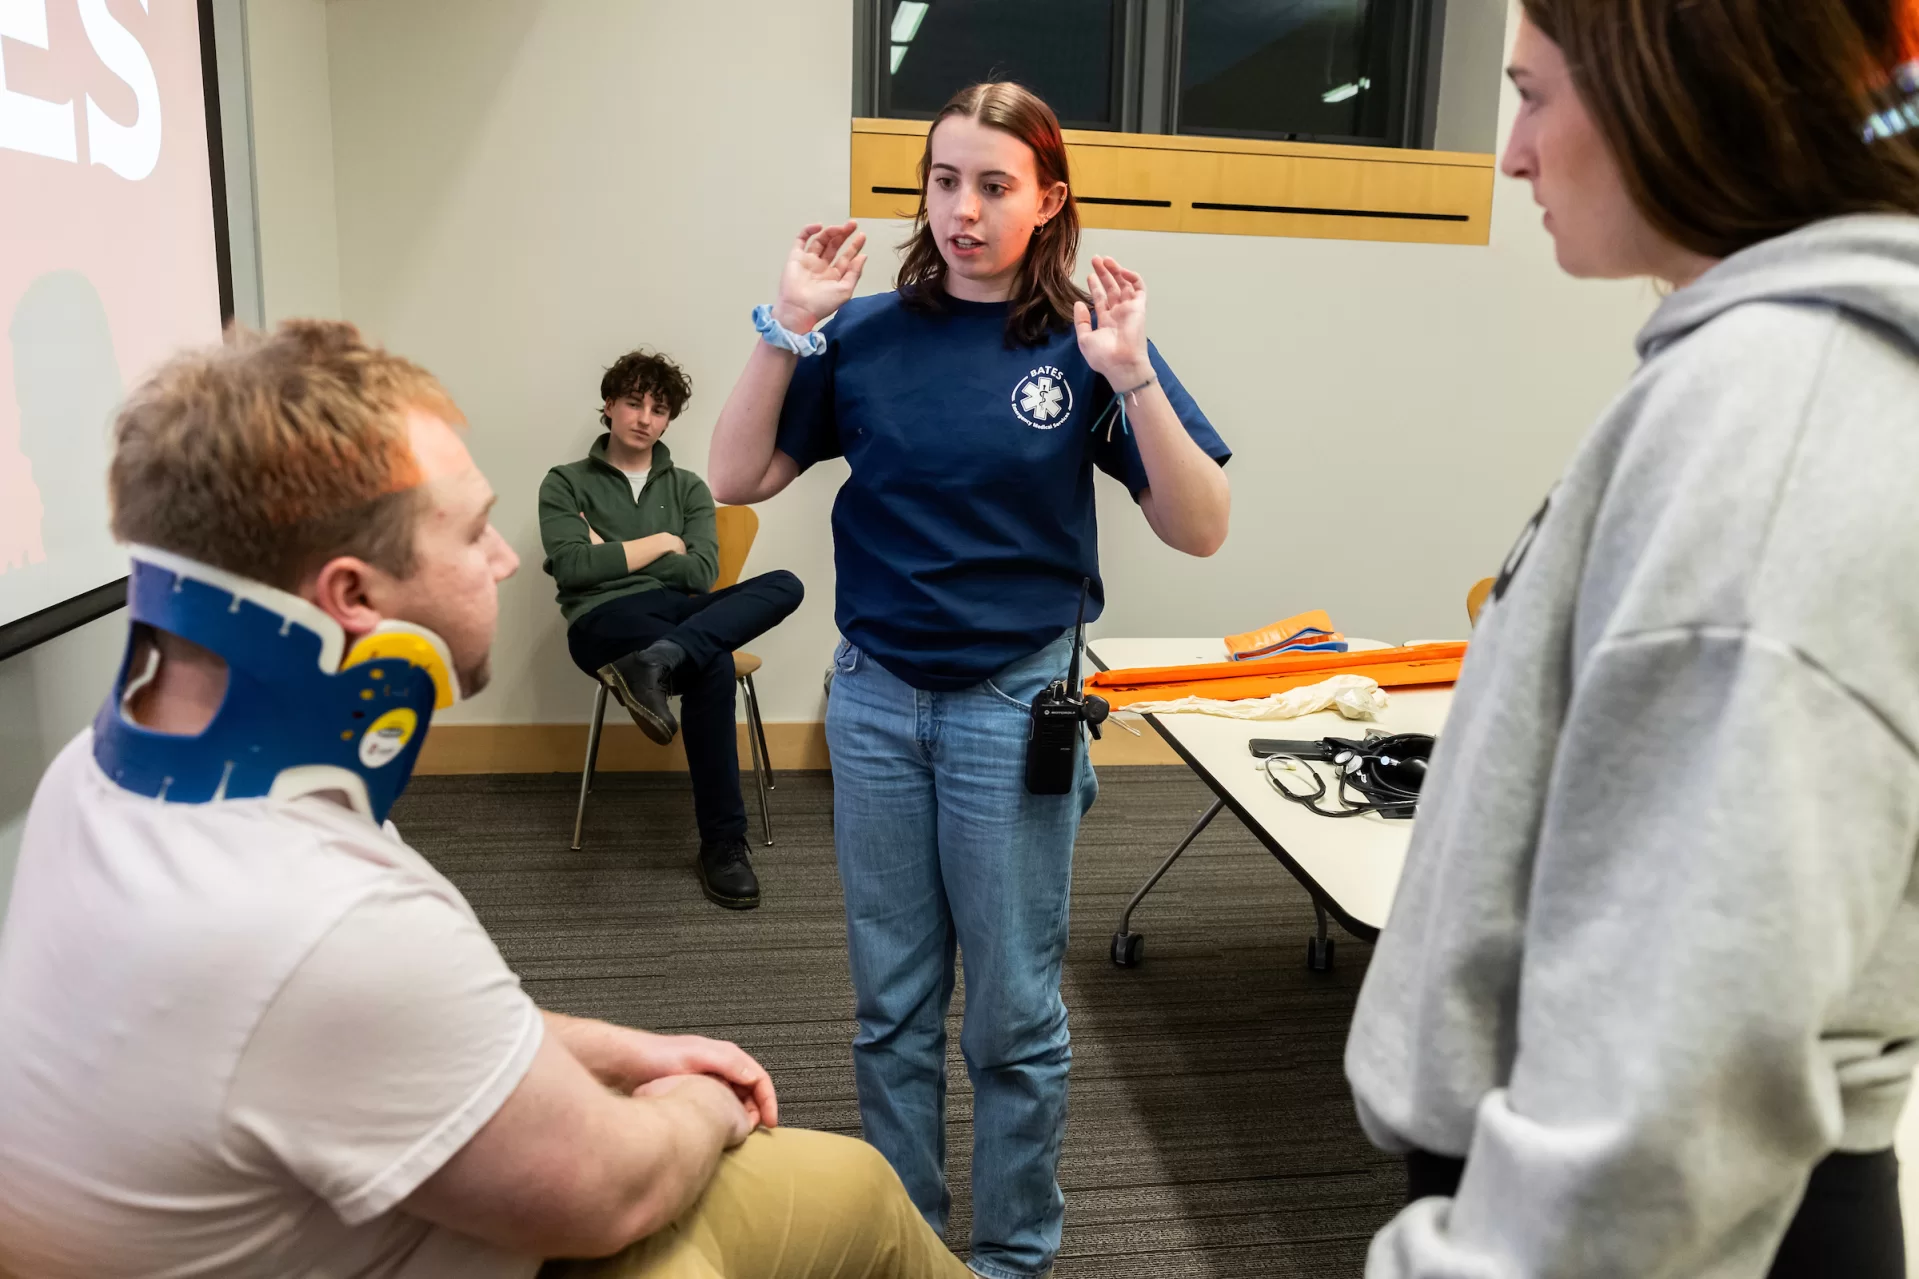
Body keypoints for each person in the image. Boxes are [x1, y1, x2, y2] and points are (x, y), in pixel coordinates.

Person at [0, 321, 969, 1279]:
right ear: (352, 594)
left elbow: (368, 1039)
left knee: (857, 1185)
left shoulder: (91, 779)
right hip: (534, 1228)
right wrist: (700, 1101)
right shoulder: (329, 921)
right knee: (816, 1203)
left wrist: (620, 1046)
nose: (502, 561)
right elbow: (611, 1191)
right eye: (469, 531)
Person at [1345, 3, 1919, 1276]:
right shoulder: (1759, 383)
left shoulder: (1774, 420)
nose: (1510, 153)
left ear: (1674, 87)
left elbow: (1678, 1074)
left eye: (1533, 94)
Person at [709, 82, 1232, 1279]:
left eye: (994, 185)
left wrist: (1134, 374)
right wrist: (785, 322)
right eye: (943, 181)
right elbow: (736, 475)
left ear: (1048, 201)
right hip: (878, 701)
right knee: (888, 1010)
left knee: (1011, 1019)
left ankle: (1010, 1257)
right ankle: (909, 1249)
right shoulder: (864, 335)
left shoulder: (1084, 344)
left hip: (1013, 707)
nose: (963, 208)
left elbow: (1197, 527)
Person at [539, 348, 802, 909]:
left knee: (785, 584)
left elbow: (702, 574)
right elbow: (572, 568)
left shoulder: (687, 488)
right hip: (601, 621)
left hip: (674, 613)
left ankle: (660, 659)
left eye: (658, 409)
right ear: (609, 406)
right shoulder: (565, 483)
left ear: (669, 419)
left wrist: (609, 550)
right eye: (633, 403)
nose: (644, 418)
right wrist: (662, 543)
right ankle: (724, 844)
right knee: (711, 664)